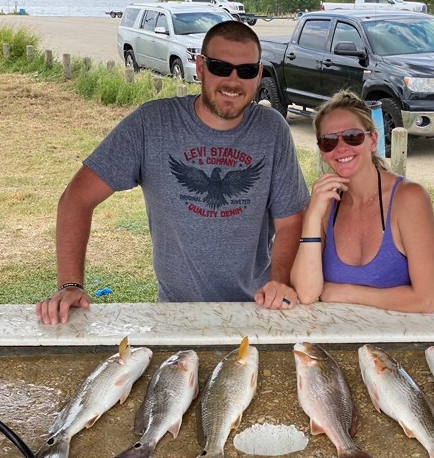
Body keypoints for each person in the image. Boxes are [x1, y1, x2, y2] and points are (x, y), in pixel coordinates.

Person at [36, 20, 309, 324]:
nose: (233, 81)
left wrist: (279, 281)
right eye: (221, 67)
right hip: (177, 311)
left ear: (258, 74)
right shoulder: (152, 123)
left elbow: (290, 220)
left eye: (245, 71)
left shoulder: (272, 129)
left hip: (257, 307)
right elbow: (77, 198)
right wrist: (71, 285)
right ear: (201, 66)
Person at [290, 91, 434, 313]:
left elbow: (426, 300)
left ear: (373, 140)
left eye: (352, 136)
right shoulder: (326, 203)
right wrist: (312, 216)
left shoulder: (409, 199)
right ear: (323, 152)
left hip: (398, 340)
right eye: (329, 141)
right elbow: (306, 293)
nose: (341, 147)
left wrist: (345, 292)